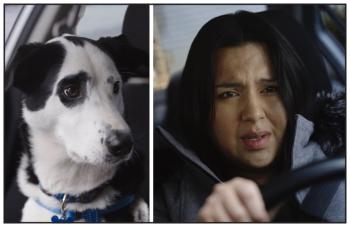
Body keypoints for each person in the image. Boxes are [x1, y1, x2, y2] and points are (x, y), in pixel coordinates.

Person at [154, 10, 345, 222]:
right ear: (201, 107)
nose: (253, 113)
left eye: (270, 89)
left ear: (292, 95)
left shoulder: (339, 171)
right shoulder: (161, 203)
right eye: (229, 94)